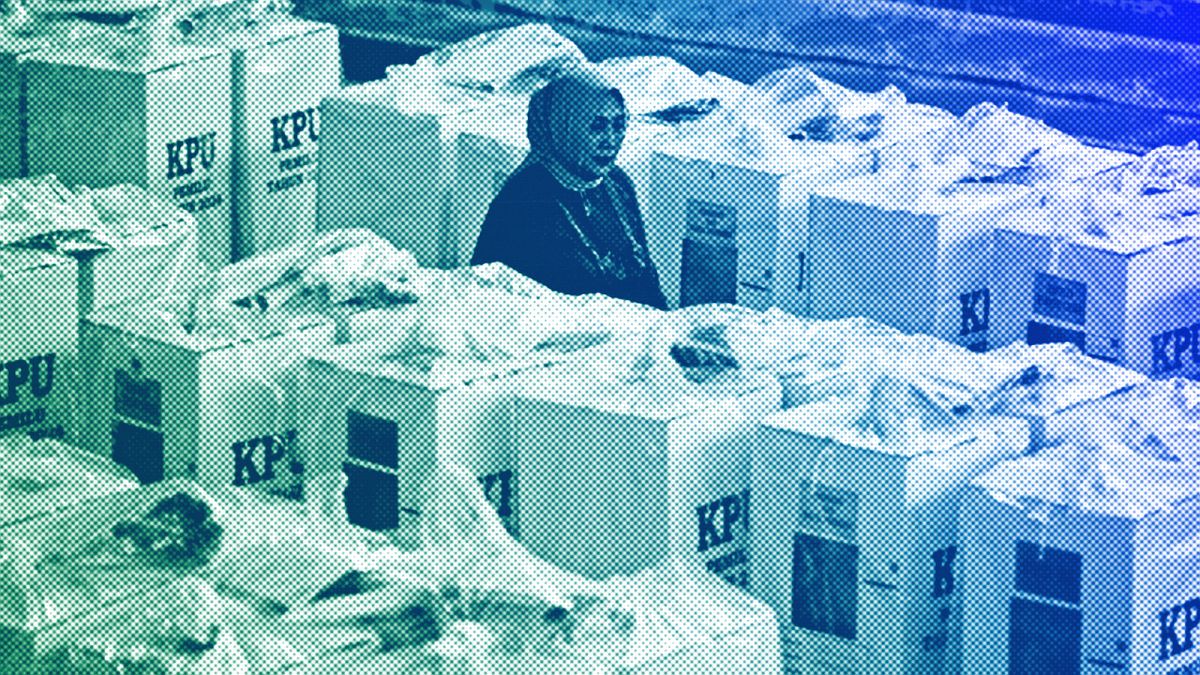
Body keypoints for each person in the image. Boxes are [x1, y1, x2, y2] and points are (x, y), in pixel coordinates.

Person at [471, 67, 668, 310]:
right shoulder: (522, 200)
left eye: (618, 125)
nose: (611, 140)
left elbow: (648, 284)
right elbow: (490, 304)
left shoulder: (618, 185)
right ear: (563, 126)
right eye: (597, 126)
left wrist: (665, 327)